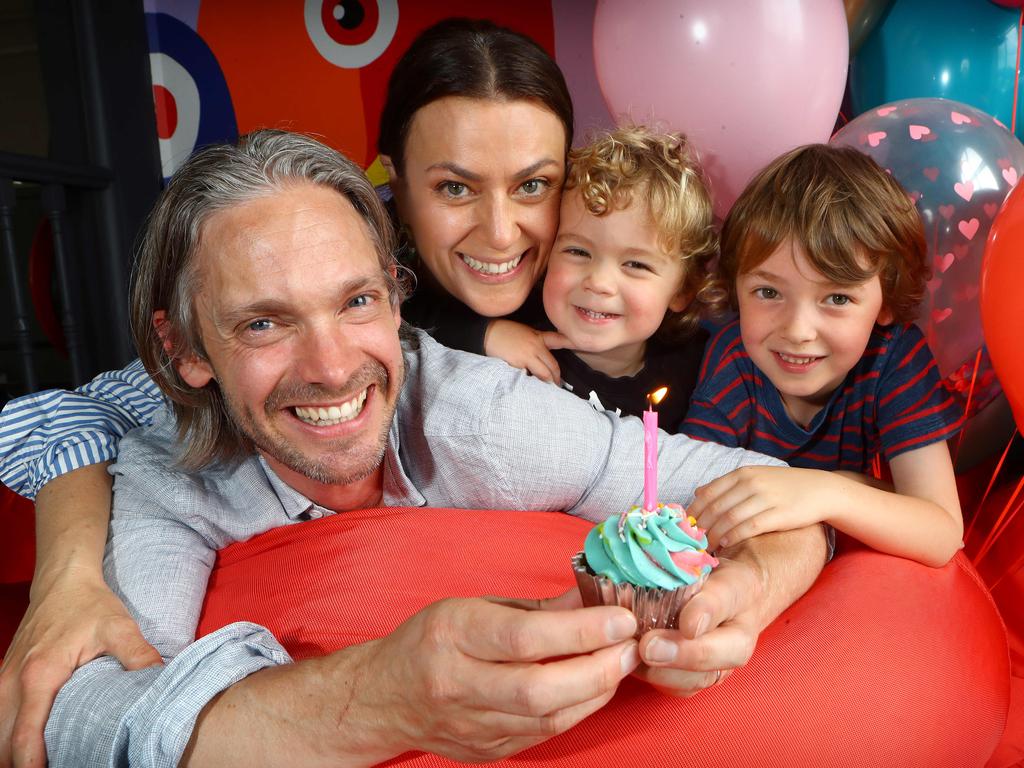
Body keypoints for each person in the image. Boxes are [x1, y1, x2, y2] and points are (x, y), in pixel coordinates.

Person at [17, 130, 824, 766]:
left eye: (358, 301)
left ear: (397, 301)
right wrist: (379, 699)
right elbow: (83, 723)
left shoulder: (482, 414)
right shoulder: (170, 472)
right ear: (186, 350)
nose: (332, 368)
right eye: (264, 322)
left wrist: (751, 588)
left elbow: (759, 488)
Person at [0, 17, 577, 760]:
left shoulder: (613, 292)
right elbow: (86, 412)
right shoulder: (346, 313)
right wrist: (70, 569)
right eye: (455, 187)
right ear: (395, 184)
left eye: (534, 184)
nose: (500, 232)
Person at [681, 144, 963, 567]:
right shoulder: (733, 359)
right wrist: (856, 489)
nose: (797, 331)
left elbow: (941, 531)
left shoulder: (894, 358)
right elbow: (693, 502)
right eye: (769, 292)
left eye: (836, 297)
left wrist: (825, 492)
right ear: (735, 287)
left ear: (885, 301)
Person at [485, 126, 716, 430]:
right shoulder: (509, 340)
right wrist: (484, 335)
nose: (599, 282)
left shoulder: (701, 367)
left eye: (635, 264)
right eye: (578, 251)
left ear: (683, 289)